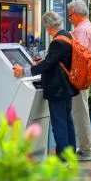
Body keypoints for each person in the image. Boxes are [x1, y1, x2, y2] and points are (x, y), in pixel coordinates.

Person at [13, 11, 78, 159]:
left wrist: (23, 71)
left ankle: (63, 158)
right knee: (67, 122)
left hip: (58, 89)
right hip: (67, 87)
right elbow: (54, 61)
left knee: (59, 124)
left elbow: (47, 65)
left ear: (48, 27)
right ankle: (71, 154)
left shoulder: (57, 42)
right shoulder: (68, 37)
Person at [67, 0, 91, 161]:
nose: (69, 18)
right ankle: (87, 147)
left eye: (70, 15)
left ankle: (87, 150)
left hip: (79, 78)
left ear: (77, 14)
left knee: (80, 113)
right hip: (87, 77)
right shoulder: (89, 27)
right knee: (81, 111)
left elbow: (78, 56)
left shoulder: (80, 31)